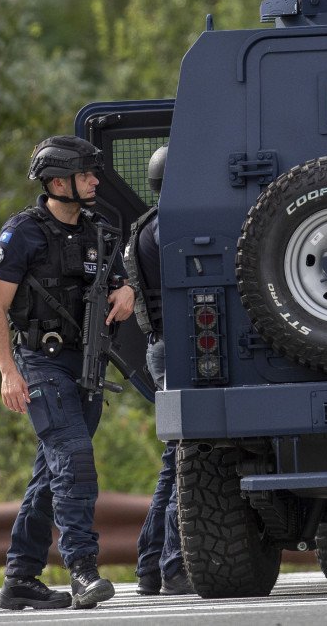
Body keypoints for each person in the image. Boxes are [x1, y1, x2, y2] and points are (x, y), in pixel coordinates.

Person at [0, 135, 135, 610]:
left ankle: (20, 578)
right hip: (40, 362)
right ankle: (83, 572)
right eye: (86, 174)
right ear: (57, 182)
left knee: (51, 475)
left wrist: (127, 290)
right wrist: (9, 373)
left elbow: (118, 277)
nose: (95, 180)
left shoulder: (101, 228)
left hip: (86, 362)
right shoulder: (22, 233)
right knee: (74, 460)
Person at [129, 146, 192, 595]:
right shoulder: (170, 224)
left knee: (174, 462)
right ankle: (174, 565)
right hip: (178, 349)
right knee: (190, 454)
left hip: (163, 347)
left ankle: (152, 565)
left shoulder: (147, 223)